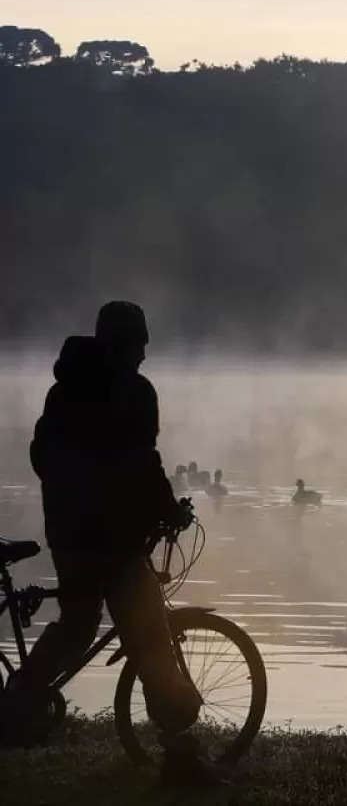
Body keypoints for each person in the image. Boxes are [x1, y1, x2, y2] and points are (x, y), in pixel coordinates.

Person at [0, 302, 219, 786]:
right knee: (150, 640)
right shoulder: (134, 393)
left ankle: (14, 713)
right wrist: (168, 512)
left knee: (75, 626)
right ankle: (181, 758)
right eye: (140, 343)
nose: (144, 353)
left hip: (70, 537)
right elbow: (144, 462)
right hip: (116, 541)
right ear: (125, 344)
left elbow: (41, 457)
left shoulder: (63, 391)